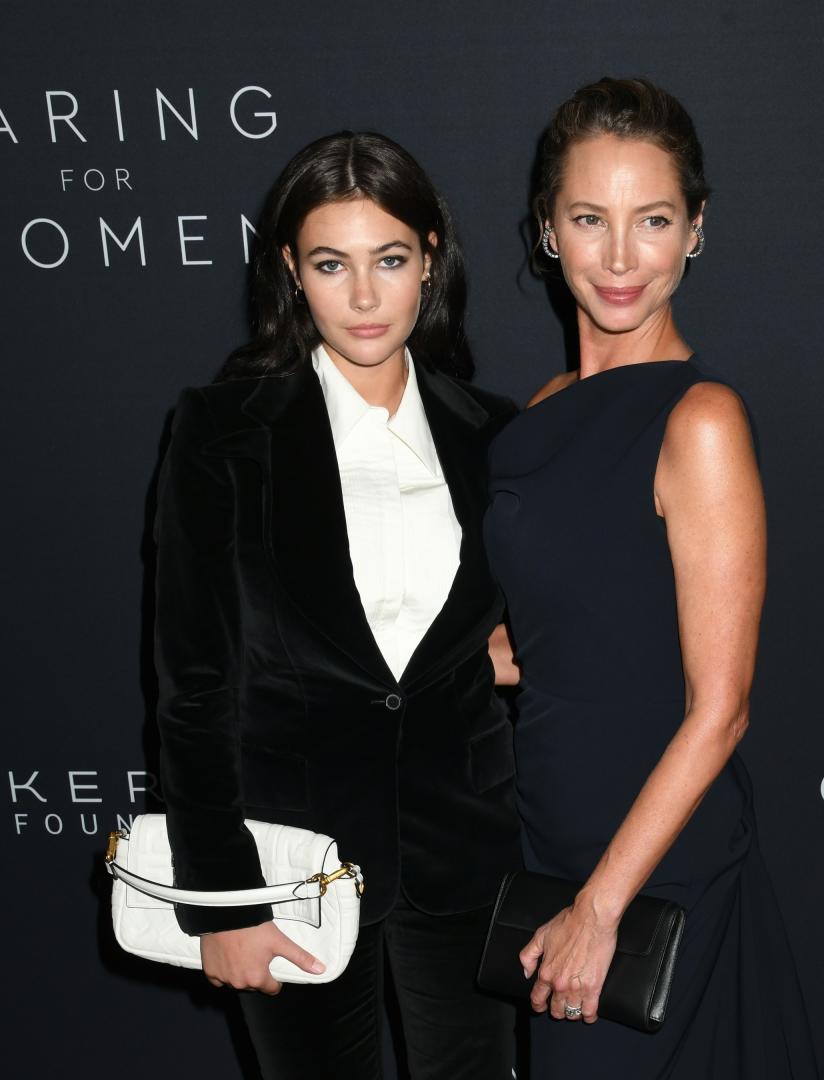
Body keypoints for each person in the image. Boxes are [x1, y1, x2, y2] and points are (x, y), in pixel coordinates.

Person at [154, 131, 521, 1080]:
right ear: (291, 269)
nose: (363, 297)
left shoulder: (499, 436)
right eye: (331, 263)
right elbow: (196, 685)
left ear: (430, 258)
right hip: (290, 867)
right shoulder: (223, 433)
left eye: (390, 260)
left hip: (465, 854)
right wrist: (224, 900)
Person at [484, 78, 819, 1077]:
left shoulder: (699, 421)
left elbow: (721, 710)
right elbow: (563, 623)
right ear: (550, 229)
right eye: (591, 219)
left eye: (654, 220)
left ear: (695, 230)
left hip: (650, 875)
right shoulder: (538, 412)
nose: (621, 258)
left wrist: (601, 905)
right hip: (548, 843)